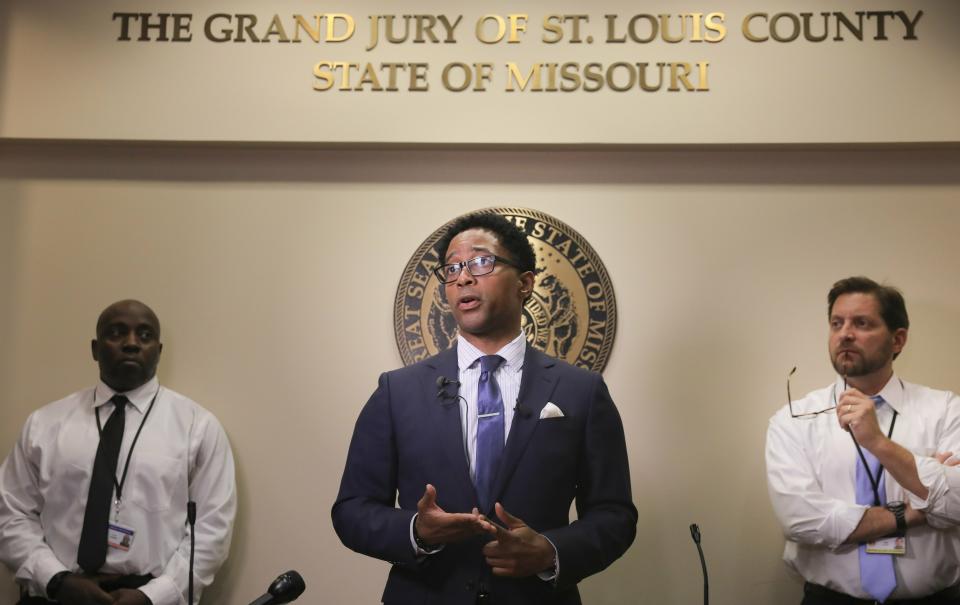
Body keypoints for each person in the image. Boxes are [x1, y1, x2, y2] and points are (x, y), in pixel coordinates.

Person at [332, 213, 636, 604]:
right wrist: (417, 531)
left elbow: (615, 515)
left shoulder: (582, 391)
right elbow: (352, 510)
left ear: (525, 283)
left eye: (480, 262)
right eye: (453, 268)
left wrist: (550, 551)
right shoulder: (397, 391)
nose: (463, 278)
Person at [0, 300, 236, 605]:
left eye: (145, 335)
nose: (131, 344)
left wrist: (153, 596)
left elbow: (212, 529)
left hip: (148, 596)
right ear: (95, 349)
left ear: (159, 351)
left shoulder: (198, 427)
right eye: (116, 333)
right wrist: (56, 580)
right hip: (54, 594)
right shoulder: (45, 424)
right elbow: (10, 512)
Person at [766, 276, 960, 604]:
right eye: (836, 323)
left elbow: (958, 502)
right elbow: (801, 521)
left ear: (898, 340)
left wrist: (878, 443)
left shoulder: (946, 410)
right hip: (829, 600)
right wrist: (913, 512)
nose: (845, 333)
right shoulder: (792, 421)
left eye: (862, 323)